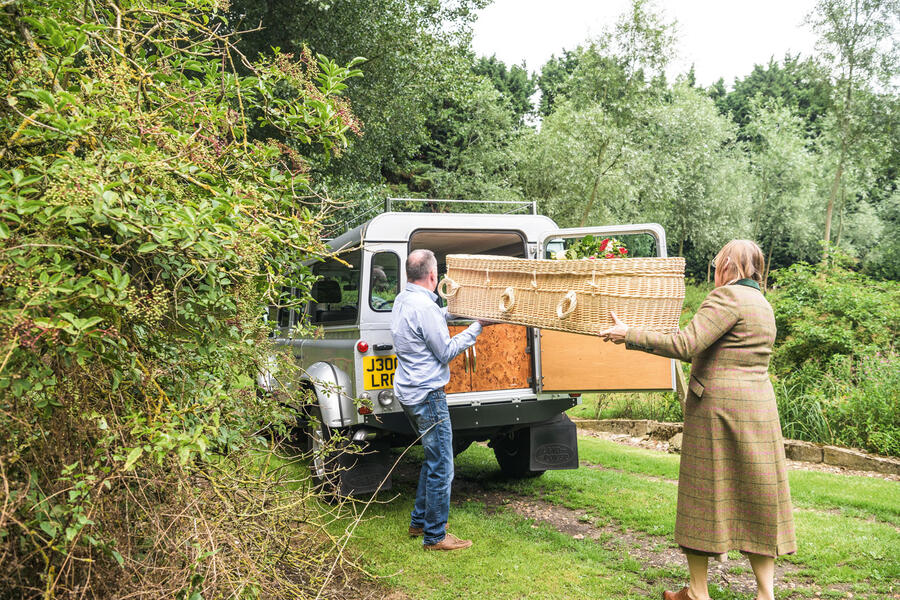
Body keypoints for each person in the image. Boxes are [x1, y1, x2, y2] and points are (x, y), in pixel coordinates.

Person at [599, 240, 796, 600]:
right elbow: (716, 351)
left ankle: (697, 592)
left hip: (718, 413)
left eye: (718, 264)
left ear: (729, 267)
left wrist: (629, 334)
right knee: (758, 496)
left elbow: (686, 344)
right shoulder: (763, 305)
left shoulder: (726, 298)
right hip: (759, 410)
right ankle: (766, 594)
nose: (715, 271)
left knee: (702, 496)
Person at [390, 249, 491, 551]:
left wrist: (467, 315)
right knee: (443, 465)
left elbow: (437, 316)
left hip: (409, 390)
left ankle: (419, 521)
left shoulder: (403, 299)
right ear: (433, 276)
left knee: (433, 458)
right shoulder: (423, 306)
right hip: (427, 394)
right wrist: (478, 327)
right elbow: (445, 351)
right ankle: (435, 536)